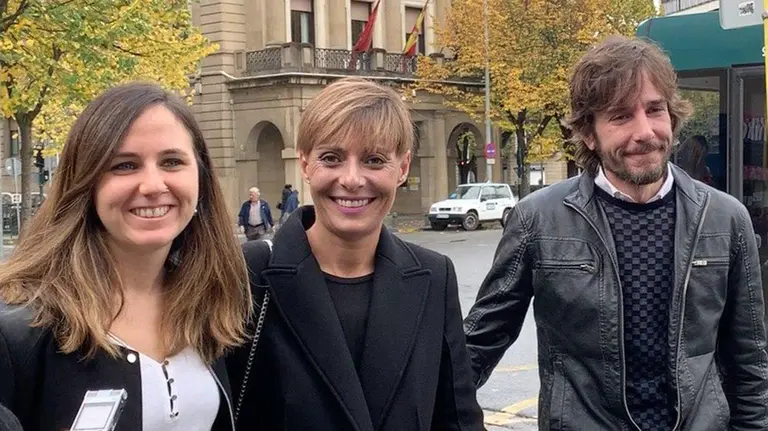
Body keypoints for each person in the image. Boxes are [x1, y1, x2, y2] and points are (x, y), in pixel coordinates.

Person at [464, 36, 768, 430]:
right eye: (621, 116)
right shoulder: (536, 220)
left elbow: (750, 363)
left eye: (654, 110)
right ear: (589, 133)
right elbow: (477, 346)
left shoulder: (726, 219)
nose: (645, 131)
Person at [227, 77, 484, 430]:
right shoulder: (248, 275)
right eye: (331, 158)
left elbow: (458, 419)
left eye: (374, 160)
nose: (351, 179)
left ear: (402, 168)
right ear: (305, 164)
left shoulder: (433, 276)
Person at [0, 83, 252, 431]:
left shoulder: (217, 305)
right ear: (85, 183)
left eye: (172, 162)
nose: (153, 185)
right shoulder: (20, 328)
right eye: (125, 165)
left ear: (201, 177)